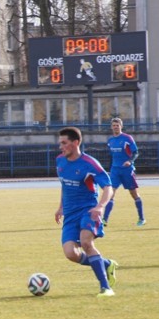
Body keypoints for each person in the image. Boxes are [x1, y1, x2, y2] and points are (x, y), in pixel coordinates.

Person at [55, 127, 118, 298]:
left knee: (86, 243)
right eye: (60, 143)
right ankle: (105, 264)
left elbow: (108, 187)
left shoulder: (89, 164)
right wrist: (60, 207)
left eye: (64, 143)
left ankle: (106, 288)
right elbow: (65, 185)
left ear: (75, 143)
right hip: (70, 214)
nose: (60, 146)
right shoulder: (60, 161)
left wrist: (100, 206)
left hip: (88, 211)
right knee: (71, 254)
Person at [103, 117, 146, 226]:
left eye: (117, 125)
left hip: (127, 170)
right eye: (114, 125)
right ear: (111, 127)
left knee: (134, 193)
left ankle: (142, 218)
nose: (115, 127)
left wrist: (130, 161)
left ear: (121, 126)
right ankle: (104, 220)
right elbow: (111, 157)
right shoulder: (110, 141)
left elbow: (135, 152)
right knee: (111, 193)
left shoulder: (127, 138)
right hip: (115, 170)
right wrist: (109, 170)